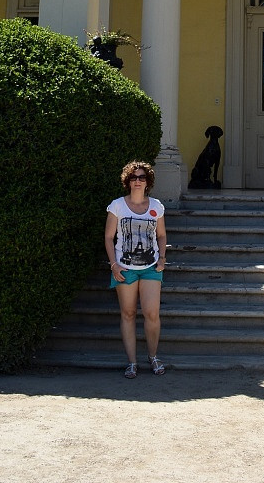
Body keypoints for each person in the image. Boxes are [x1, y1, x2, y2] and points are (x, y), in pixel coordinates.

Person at [104, 160, 167, 378]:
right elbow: (109, 237)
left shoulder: (156, 206)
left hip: (150, 267)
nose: (137, 181)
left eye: (142, 177)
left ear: (148, 181)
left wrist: (162, 259)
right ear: (127, 181)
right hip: (124, 268)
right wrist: (113, 264)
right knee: (128, 313)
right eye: (134, 177)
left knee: (151, 313)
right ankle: (132, 362)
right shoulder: (117, 206)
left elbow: (161, 235)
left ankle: (153, 356)